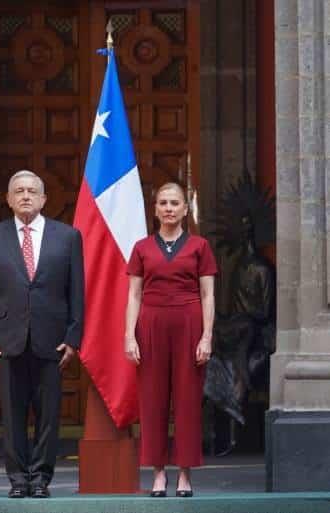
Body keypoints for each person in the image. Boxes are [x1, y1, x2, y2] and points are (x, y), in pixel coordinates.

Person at [0, 169, 84, 499]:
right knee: (12, 415)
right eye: (19, 191)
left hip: (52, 339)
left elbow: (76, 291)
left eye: (32, 191)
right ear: (8, 200)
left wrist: (74, 336)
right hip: (8, 339)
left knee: (49, 415)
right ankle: (18, 479)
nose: (25, 196)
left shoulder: (67, 237)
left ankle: (41, 479)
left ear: (43, 199)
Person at [124, 182, 217, 498]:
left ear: (185, 208)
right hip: (150, 324)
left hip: (189, 322)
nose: (168, 208)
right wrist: (129, 336)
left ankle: (185, 475)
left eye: (174, 203)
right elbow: (134, 294)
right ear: (155, 209)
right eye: (162, 202)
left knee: (187, 400)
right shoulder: (141, 247)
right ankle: (159, 473)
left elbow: (208, 293)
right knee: (152, 400)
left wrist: (207, 335)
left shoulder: (199, 246)